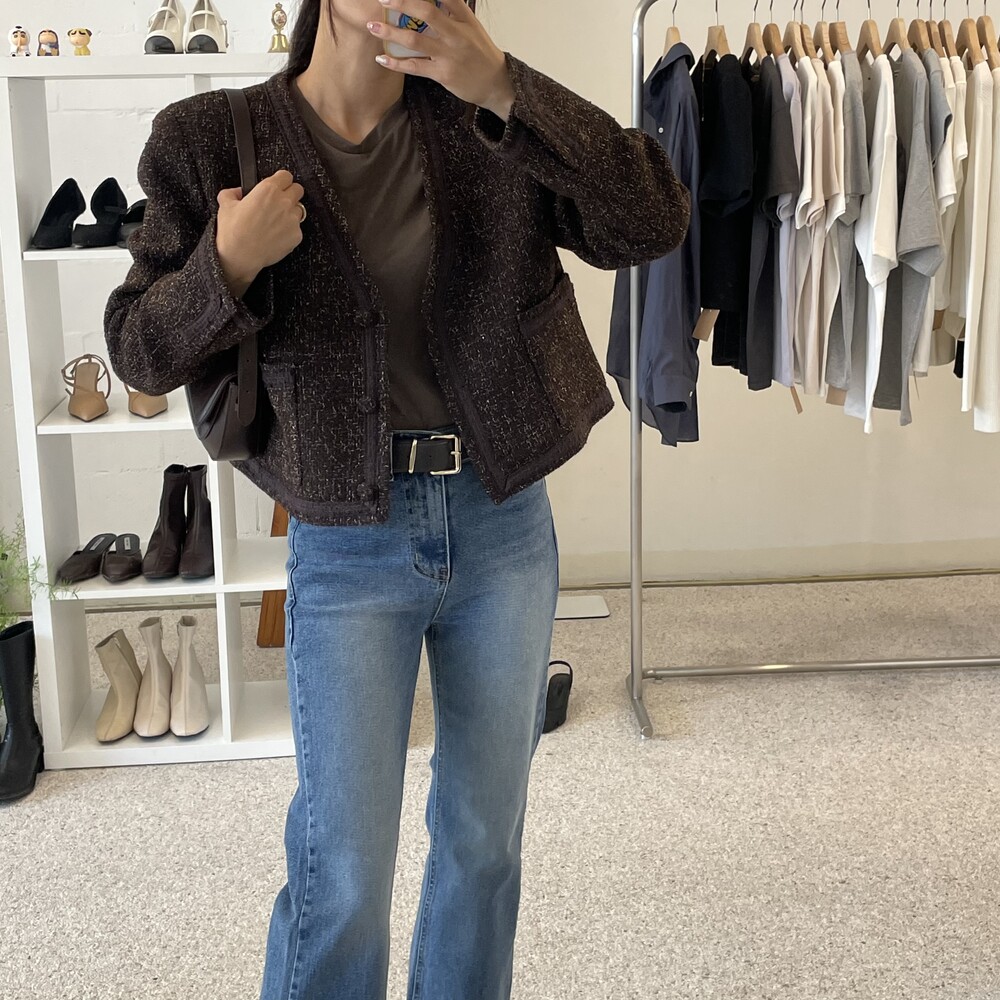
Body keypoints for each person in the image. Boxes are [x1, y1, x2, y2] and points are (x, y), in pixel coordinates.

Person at [104, 1, 689, 997]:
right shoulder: (208, 138)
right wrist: (227, 263)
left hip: (502, 524)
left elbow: (651, 218)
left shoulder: (486, 117)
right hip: (347, 542)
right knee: (344, 868)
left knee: (484, 843)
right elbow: (138, 349)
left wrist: (505, 85)